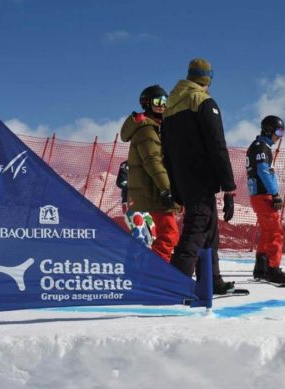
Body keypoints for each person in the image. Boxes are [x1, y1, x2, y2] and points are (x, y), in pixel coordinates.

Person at [162, 58, 236, 295]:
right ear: (208, 78)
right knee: (197, 227)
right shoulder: (203, 101)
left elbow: (167, 151)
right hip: (201, 176)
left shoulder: (171, 107)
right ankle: (175, 284)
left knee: (209, 228)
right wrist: (229, 186)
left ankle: (210, 280)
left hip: (183, 176)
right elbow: (217, 145)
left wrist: (175, 186)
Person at [119, 84, 180, 261]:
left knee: (167, 234)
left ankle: (157, 271)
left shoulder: (158, 127)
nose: (162, 105)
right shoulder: (147, 129)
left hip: (156, 188)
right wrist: (165, 188)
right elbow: (153, 160)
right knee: (168, 234)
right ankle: (156, 274)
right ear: (146, 104)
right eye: (157, 101)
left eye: (165, 101)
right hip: (155, 190)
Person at [246, 115, 285, 283]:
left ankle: (261, 268)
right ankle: (273, 269)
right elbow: (264, 171)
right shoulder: (262, 148)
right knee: (275, 232)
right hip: (263, 194)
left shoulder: (257, 146)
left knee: (267, 232)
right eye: (279, 131)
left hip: (257, 194)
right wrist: (275, 193)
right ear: (269, 130)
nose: (280, 136)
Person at [115, 160, 157, 248]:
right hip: (131, 203)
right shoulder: (127, 164)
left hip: (145, 204)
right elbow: (121, 182)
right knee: (139, 231)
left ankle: (150, 258)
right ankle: (134, 258)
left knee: (152, 232)